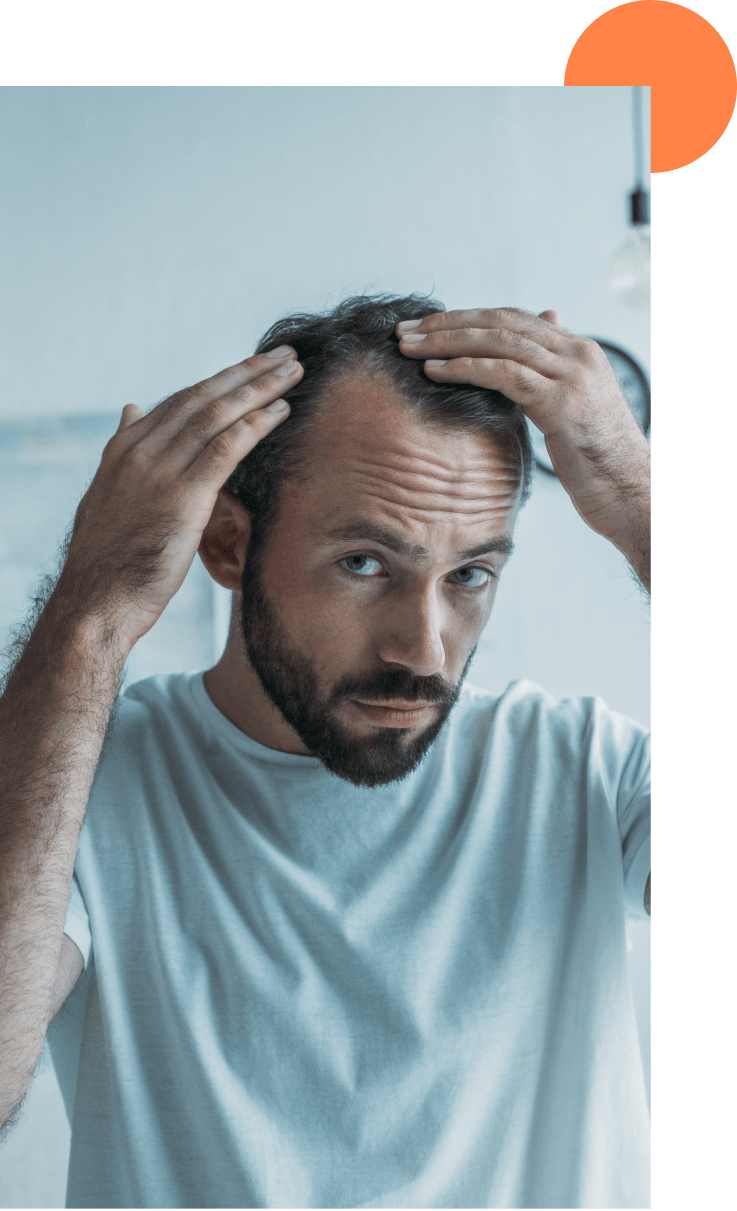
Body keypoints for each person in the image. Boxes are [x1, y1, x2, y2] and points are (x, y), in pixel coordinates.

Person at [0, 295, 651, 1209]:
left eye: (469, 575)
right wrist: (90, 613)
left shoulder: (580, 765)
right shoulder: (83, 775)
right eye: (364, 564)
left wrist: (641, 501)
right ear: (228, 543)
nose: (424, 650)